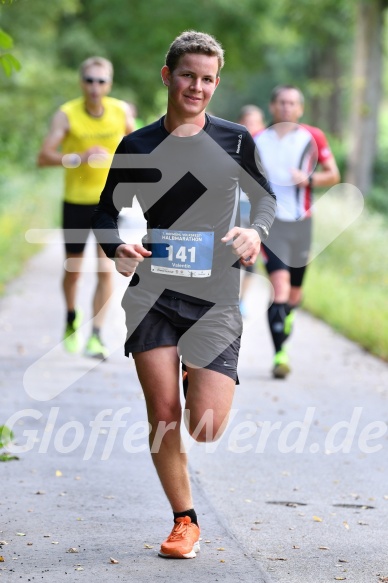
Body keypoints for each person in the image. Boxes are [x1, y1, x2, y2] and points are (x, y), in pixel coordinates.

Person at [92, 31, 276, 559]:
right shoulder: (138, 145)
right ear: (167, 75)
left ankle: (198, 368)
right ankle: (184, 520)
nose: (197, 86)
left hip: (215, 296)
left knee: (206, 426)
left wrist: (254, 232)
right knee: (164, 412)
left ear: (216, 84)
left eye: (208, 78)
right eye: (188, 75)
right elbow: (107, 212)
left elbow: (265, 201)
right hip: (153, 290)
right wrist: (116, 248)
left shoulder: (236, 140)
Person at [37, 56, 134, 357]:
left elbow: (138, 145)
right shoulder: (67, 114)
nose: (95, 87)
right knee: (74, 271)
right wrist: (78, 157)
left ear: (109, 84)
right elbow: (44, 157)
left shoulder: (120, 111)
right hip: (77, 202)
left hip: (109, 203)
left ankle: (96, 334)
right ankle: (70, 318)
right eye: (89, 81)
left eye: (101, 81)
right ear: (81, 83)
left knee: (106, 270)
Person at [255, 85, 340, 379]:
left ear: (300, 109)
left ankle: (286, 317)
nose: (286, 108)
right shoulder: (258, 140)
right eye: (281, 102)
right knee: (279, 287)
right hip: (270, 223)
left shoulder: (312, 137)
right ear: (272, 106)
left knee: (294, 293)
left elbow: (334, 174)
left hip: (302, 222)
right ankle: (280, 355)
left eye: (292, 103)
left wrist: (309, 178)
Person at [237, 105, 266, 317]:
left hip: (254, 210)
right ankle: (223, 298)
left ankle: (241, 301)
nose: (250, 127)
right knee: (228, 254)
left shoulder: (267, 149)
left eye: (254, 122)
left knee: (249, 256)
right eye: (246, 122)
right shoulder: (231, 145)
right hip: (232, 207)